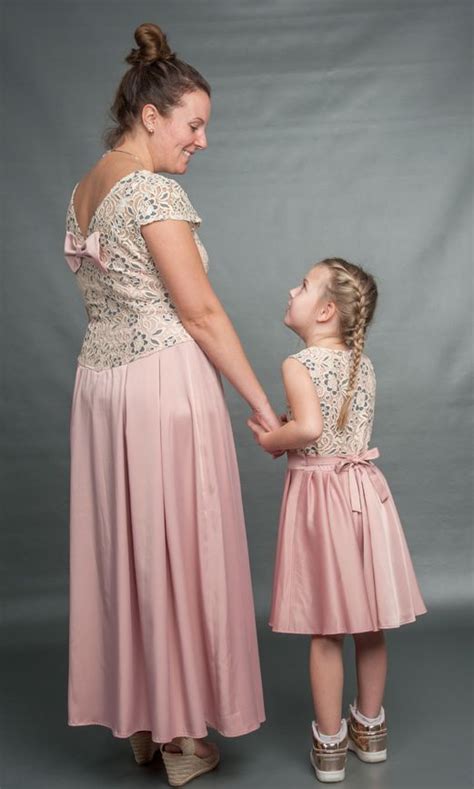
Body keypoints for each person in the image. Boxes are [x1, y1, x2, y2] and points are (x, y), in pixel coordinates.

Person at [64, 22, 280, 787]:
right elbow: (202, 313)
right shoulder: (151, 187)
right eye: (195, 124)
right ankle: (186, 738)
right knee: (181, 546)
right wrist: (265, 407)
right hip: (160, 383)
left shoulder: (86, 186)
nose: (202, 142)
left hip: (102, 387)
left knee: (131, 548)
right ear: (150, 115)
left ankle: (147, 722)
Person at [247, 258, 427, 783]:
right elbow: (336, 426)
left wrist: (268, 440)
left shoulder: (297, 363)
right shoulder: (360, 362)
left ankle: (329, 745)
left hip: (323, 500)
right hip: (364, 496)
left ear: (325, 311)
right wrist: (293, 427)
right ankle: (370, 729)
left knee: (327, 627)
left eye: (301, 285)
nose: (290, 288)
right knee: (368, 620)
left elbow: (308, 430)